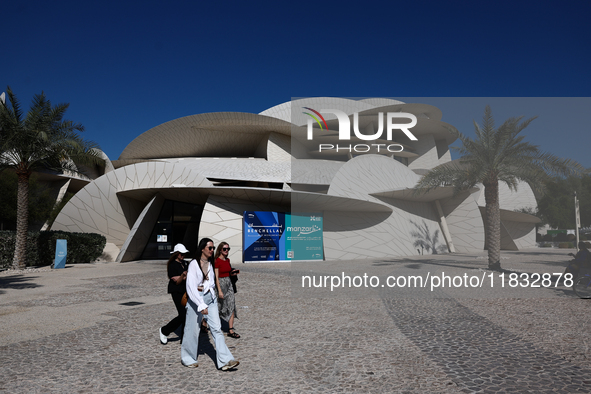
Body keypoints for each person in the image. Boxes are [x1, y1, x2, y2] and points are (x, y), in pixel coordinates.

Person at [181, 238, 240, 370]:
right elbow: (190, 286)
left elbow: (212, 281)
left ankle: (225, 360)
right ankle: (187, 358)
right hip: (196, 298)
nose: (212, 250)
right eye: (210, 248)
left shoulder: (211, 263)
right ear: (202, 248)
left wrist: (215, 294)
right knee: (192, 330)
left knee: (217, 329)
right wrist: (200, 304)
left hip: (210, 297)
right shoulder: (193, 264)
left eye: (213, 248)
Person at [159, 244, 189, 345]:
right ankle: (164, 330)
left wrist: (183, 277)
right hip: (176, 291)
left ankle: (184, 338)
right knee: (183, 314)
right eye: (181, 254)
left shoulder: (185, 263)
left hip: (185, 290)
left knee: (187, 314)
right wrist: (183, 276)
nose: (183, 255)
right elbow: (176, 281)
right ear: (176, 254)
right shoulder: (172, 264)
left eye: (184, 254)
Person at [214, 242, 240, 338]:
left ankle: (230, 330)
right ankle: (205, 323)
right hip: (220, 284)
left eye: (228, 249)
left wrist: (232, 274)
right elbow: (216, 277)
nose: (226, 251)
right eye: (224, 249)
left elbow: (228, 272)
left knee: (231, 304)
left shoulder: (227, 260)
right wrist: (219, 290)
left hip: (229, 284)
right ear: (220, 250)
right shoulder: (217, 261)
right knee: (218, 306)